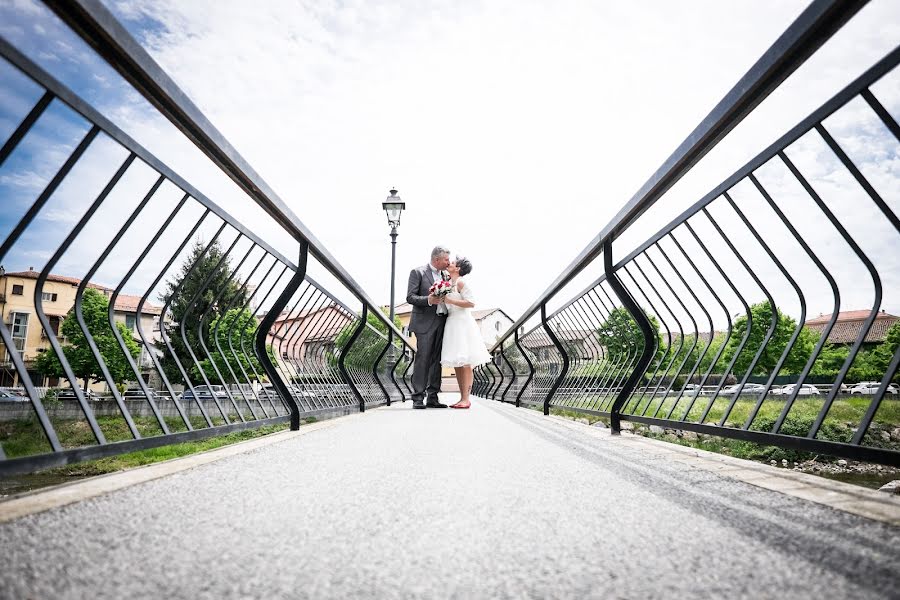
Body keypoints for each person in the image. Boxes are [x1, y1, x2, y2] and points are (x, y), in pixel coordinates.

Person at [440, 256, 492, 409]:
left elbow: (471, 302)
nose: (450, 263)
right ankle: (461, 398)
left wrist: (450, 301)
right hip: (452, 323)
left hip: (462, 324)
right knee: (457, 361)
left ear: (458, 269)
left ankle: (466, 399)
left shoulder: (461, 283)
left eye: (454, 263)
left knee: (465, 362)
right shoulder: (448, 283)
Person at [406, 246, 451, 409]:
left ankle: (433, 397)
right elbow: (410, 297)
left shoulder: (446, 275)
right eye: (446, 259)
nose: (448, 262)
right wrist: (429, 300)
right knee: (423, 359)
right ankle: (418, 398)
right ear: (436, 259)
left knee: (437, 360)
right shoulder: (417, 272)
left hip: (442, 321)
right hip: (424, 323)